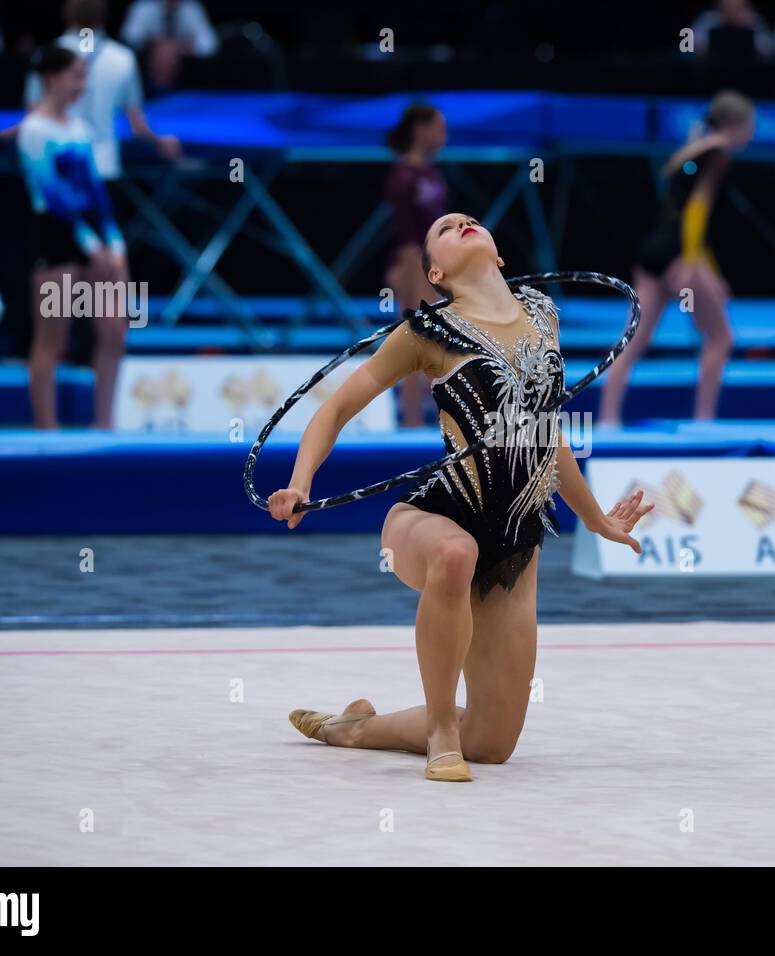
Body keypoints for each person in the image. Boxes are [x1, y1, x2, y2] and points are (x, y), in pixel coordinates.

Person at [269, 213, 652, 781]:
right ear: (437, 272)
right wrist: (302, 483)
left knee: (493, 744)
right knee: (455, 555)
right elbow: (336, 408)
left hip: (515, 545)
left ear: (499, 255)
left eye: (468, 219)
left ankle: (352, 728)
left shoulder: (543, 316)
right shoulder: (427, 332)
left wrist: (595, 520)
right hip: (433, 519)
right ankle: (440, 729)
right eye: (444, 228)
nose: (460, 221)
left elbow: (543, 435)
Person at [597, 90, 754, 427]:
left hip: (654, 248)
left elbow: (679, 206)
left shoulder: (694, 144)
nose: (752, 133)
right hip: (678, 252)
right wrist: (692, 262)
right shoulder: (720, 151)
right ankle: (704, 421)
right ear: (736, 124)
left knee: (634, 339)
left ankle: (608, 420)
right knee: (721, 339)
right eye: (750, 125)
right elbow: (697, 211)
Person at [17, 46, 128, 429]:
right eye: (76, 76)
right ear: (52, 78)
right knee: (54, 338)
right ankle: (46, 429)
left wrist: (114, 242)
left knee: (114, 333)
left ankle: (105, 424)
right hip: (58, 236)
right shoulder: (34, 129)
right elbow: (52, 193)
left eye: (84, 76)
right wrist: (88, 243)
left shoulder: (79, 128)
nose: (82, 85)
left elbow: (95, 191)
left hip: (96, 236)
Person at [0, 0, 181, 194]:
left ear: (66, 13)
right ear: (103, 16)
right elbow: (137, 125)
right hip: (102, 166)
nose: (79, 86)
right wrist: (160, 141)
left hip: (56, 166)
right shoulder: (123, 58)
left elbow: (32, 119)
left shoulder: (46, 56)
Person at [383, 103, 447, 428]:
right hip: (410, 262)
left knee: (433, 344)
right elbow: (407, 234)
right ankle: (411, 421)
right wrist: (415, 280)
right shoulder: (403, 176)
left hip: (431, 264)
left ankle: (429, 417)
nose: (444, 135)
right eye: (439, 128)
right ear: (420, 130)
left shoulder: (430, 172)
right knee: (415, 342)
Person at [120, 0, 219, 90]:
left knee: (167, 50)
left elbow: (210, 45)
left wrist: (179, 46)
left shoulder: (192, 8)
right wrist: (157, 44)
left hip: (186, 76)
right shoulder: (143, 7)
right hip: (145, 62)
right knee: (164, 49)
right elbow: (130, 38)